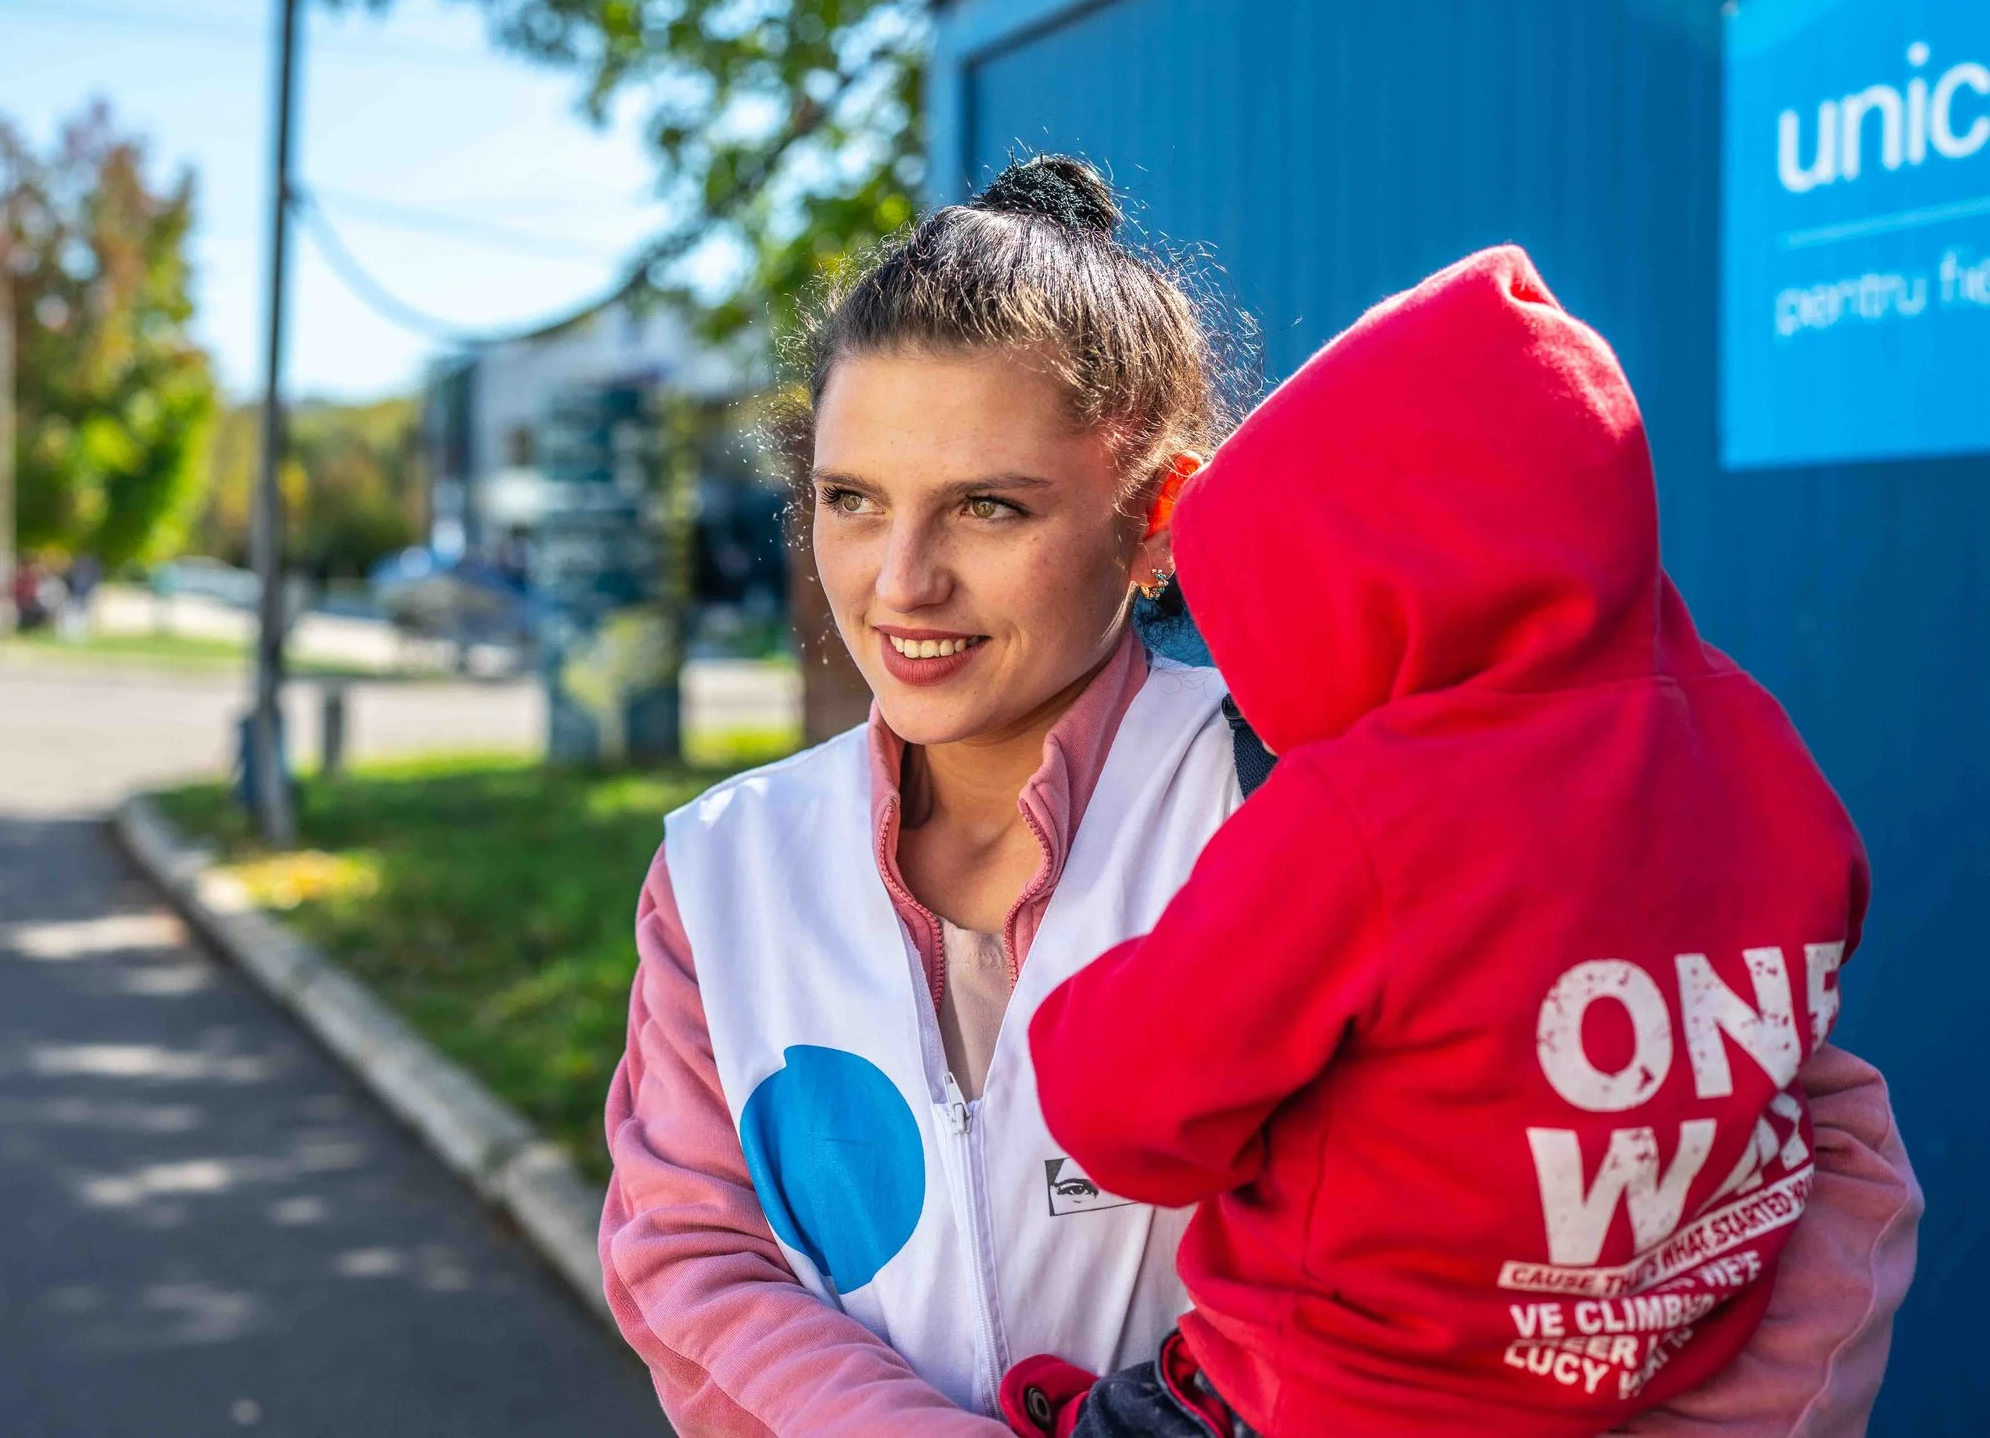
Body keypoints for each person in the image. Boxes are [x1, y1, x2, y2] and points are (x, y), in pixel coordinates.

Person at [598, 157, 1920, 1437]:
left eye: (989, 508)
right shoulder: (725, 867)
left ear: (1159, 515)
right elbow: (697, 1261)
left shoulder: (1348, 791)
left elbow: (1791, 1168)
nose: (899, 582)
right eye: (851, 499)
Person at [1017, 248, 1870, 1438]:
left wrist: (1082, 991)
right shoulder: (1760, 743)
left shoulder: (1365, 813)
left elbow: (1123, 1114)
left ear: (1358, 587)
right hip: (1667, 1365)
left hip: (1331, 1398)